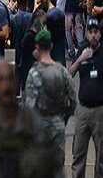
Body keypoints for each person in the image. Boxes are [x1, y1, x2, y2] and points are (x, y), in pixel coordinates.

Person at [68, 18, 103, 178]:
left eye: (96, 32)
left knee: (102, 155)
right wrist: (80, 58)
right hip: (82, 110)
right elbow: (69, 74)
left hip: (101, 111)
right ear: (86, 34)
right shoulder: (82, 51)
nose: (93, 35)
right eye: (90, 32)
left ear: (100, 34)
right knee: (78, 154)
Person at [24, 29, 76, 169]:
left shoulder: (34, 73)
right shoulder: (62, 72)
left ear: (37, 47)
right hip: (58, 127)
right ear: (51, 46)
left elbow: (29, 106)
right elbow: (72, 101)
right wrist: (61, 119)